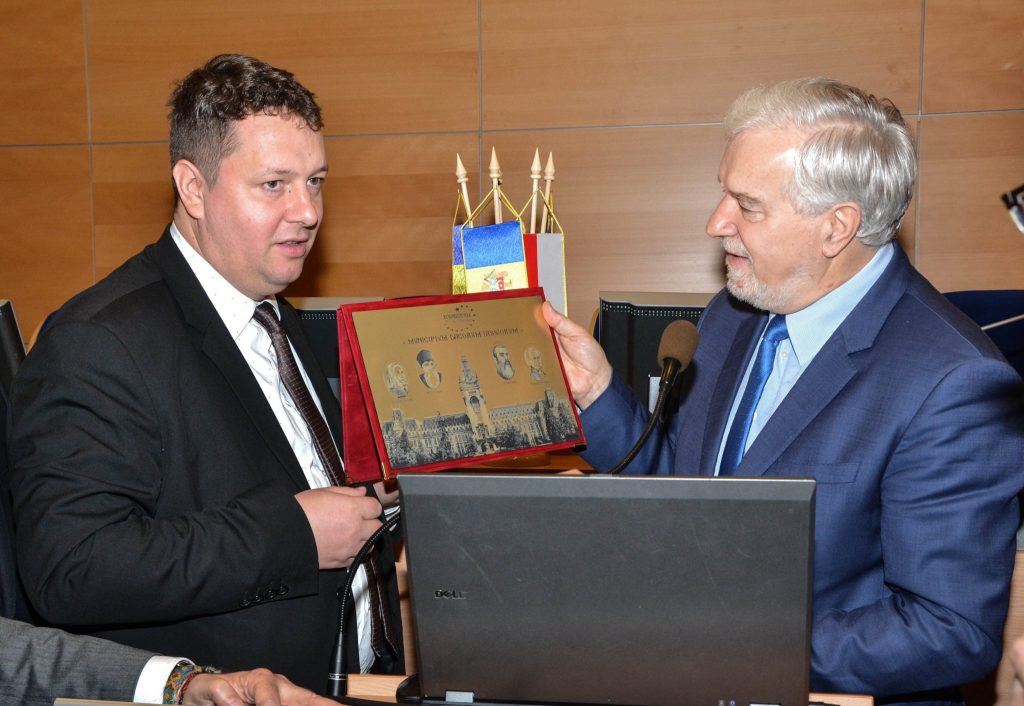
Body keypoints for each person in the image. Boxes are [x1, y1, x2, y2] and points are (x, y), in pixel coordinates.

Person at [543, 77, 1024, 704]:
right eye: (724, 192)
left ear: (836, 228)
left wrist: (727, 647)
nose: (716, 223)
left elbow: (949, 629)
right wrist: (599, 393)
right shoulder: (732, 314)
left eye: (748, 206)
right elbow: (691, 495)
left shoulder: (956, 380)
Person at [6, 54, 402, 692]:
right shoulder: (96, 342)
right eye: (274, 185)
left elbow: (273, 472)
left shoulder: (269, 302)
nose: (307, 210)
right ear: (193, 188)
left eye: (316, 181)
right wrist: (292, 535)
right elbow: (72, 569)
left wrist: (366, 494)